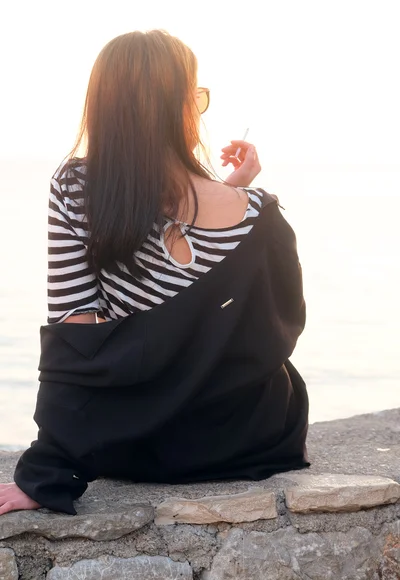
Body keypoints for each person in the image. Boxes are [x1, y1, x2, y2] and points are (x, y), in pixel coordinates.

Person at [0, 30, 309, 516]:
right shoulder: (259, 214)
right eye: (198, 98)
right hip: (253, 437)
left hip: (140, 443)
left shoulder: (78, 187)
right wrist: (239, 194)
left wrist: (48, 474)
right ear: (181, 108)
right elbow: (278, 326)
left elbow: (76, 333)